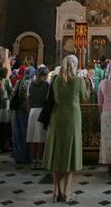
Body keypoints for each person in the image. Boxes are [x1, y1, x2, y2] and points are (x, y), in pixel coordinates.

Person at [43, 55, 87, 202]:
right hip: (72, 118)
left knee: (57, 152)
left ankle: (55, 191)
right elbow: (85, 97)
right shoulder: (78, 80)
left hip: (56, 117)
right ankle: (67, 193)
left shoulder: (55, 80)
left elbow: (52, 97)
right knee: (69, 153)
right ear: (75, 65)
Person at [27, 66, 50, 169]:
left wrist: (29, 110)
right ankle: (39, 159)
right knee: (40, 138)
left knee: (32, 137)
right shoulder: (47, 85)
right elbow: (48, 99)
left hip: (32, 112)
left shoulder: (31, 84)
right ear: (45, 76)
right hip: (41, 111)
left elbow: (28, 98)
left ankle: (33, 160)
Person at [11, 66, 34, 164]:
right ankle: (27, 156)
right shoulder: (31, 83)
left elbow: (13, 94)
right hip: (27, 113)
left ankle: (18, 155)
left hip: (17, 112)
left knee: (18, 134)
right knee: (27, 134)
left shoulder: (19, 82)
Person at [0, 67, 13, 153]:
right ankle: (6, 145)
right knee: (6, 127)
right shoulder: (7, 81)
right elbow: (11, 91)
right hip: (5, 107)